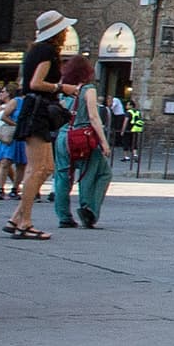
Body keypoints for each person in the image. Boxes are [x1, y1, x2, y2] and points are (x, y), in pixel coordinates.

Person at [8, 18, 74, 238]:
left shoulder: (36, 50)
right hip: (38, 110)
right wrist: (62, 87)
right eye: (64, 29)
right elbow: (36, 83)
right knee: (37, 169)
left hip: (36, 109)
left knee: (47, 167)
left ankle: (17, 217)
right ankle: (24, 223)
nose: (66, 32)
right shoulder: (47, 52)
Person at [54, 69, 114, 230]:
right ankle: (89, 209)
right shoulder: (88, 89)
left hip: (63, 136)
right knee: (96, 173)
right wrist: (104, 142)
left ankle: (63, 216)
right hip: (83, 137)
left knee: (62, 176)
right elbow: (94, 117)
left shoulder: (63, 90)